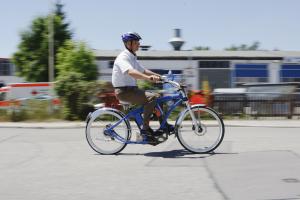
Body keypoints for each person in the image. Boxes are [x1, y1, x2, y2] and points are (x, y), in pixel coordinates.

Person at [112, 32, 170, 144]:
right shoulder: (123, 57)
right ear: (129, 43)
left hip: (132, 90)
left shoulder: (132, 57)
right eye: (136, 42)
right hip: (124, 91)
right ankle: (145, 130)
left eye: (138, 42)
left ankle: (164, 126)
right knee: (152, 98)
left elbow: (144, 71)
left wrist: (160, 77)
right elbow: (131, 72)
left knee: (158, 96)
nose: (139, 44)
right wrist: (148, 79)